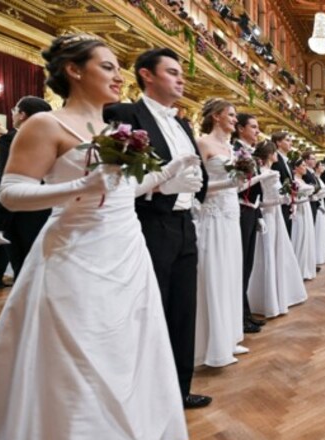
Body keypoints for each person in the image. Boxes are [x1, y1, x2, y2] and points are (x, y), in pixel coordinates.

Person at [0, 34, 188, 440]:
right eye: (108, 66)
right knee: (83, 352)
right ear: (74, 69)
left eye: (118, 68)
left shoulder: (112, 128)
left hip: (127, 251)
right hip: (75, 253)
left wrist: (167, 172)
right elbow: (10, 192)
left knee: (127, 350)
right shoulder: (46, 123)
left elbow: (120, 191)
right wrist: (80, 185)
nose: (119, 76)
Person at [104, 47, 212, 408]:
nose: (181, 79)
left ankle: (178, 390)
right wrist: (160, 186)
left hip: (184, 224)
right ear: (147, 75)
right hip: (150, 222)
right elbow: (114, 178)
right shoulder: (124, 114)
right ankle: (145, 393)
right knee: (152, 310)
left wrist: (197, 190)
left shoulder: (182, 123)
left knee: (183, 310)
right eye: (172, 72)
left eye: (181, 73)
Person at [193, 99, 266, 367]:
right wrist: (230, 181)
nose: (235, 119)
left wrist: (241, 182)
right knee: (214, 273)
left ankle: (230, 336)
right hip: (212, 214)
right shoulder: (203, 144)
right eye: (231, 115)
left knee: (231, 274)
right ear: (215, 116)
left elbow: (234, 187)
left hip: (231, 212)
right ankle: (212, 343)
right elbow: (197, 186)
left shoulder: (230, 148)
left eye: (235, 116)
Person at [247, 141, 307, 317]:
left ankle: (277, 294)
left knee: (277, 252)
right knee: (267, 252)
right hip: (268, 215)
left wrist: (288, 198)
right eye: (274, 152)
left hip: (275, 216)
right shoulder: (266, 174)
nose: (276, 156)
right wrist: (284, 199)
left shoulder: (272, 173)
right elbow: (263, 200)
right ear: (269, 155)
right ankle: (267, 298)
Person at [0, 97, 53, 279]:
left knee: (22, 265)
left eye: (14, 109)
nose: (12, 113)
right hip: (48, 207)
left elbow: (7, 178)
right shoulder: (54, 139)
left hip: (19, 210)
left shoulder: (11, 139)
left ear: (22, 114)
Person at [232, 113, 264, 333]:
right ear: (240, 128)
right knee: (240, 264)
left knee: (248, 263)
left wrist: (259, 213)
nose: (257, 131)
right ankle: (240, 316)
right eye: (253, 127)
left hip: (251, 211)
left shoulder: (251, 153)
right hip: (240, 210)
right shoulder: (235, 150)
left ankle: (246, 312)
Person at [291, 156, 317, 280]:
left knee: (307, 236)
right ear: (295, 168)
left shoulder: (302, 181)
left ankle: (306, 266)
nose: (305, 167)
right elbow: (295, 196)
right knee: (300, 236)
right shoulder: (294, 180)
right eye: (302, 165)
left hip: (306, 207)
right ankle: (299, 268)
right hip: (300, 209)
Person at [271, 131, 294, 236]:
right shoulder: (275, 159)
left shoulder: (287, 161)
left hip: (287, 202)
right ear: (278, 142)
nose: (291, 143)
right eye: (287, 140)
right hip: (278, 202)